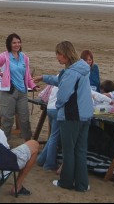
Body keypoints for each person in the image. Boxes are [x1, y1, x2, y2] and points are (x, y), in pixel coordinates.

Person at [33, 41, 93, 192]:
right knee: (80, 150)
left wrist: (59, 106)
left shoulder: (72, 72)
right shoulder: (81, 68)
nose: (57, 58)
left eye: (59, 54)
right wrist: (44, 77)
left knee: (69, 151)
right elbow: (61, 80)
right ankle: (82, 184)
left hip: (72, 116)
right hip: (85, 116)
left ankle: (66, 182)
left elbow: (63, 95)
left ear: (66, 54)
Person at [0, 33, 39, 141]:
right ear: (9, 44)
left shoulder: (25, 58)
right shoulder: (4, 56)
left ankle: (29, 143)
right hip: (8, 92)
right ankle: (5, 144)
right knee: (7, 120)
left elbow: (27, 75)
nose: (16, 45)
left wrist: (33, 85)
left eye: (18, 42)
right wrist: (0, 74)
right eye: (14, 42)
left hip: (22, 92)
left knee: (25, 119)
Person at [37, 85, 61, 171]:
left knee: (53, 136)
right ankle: (49, 164)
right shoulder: (70, 78)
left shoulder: (59, 77)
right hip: (57, 109)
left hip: (50, 107)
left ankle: (42, 159)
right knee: (54, 137)